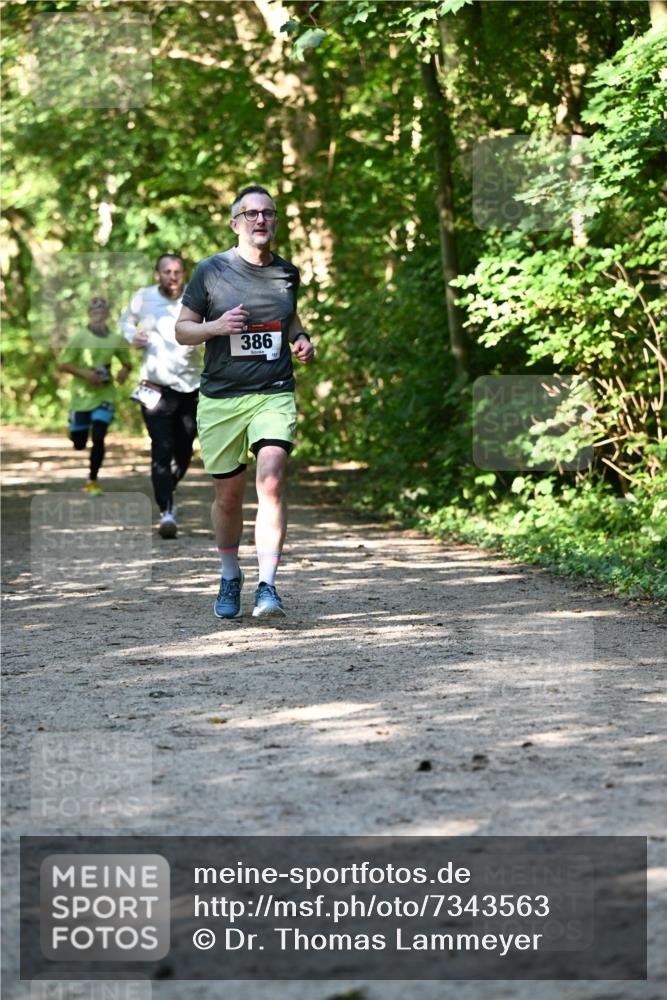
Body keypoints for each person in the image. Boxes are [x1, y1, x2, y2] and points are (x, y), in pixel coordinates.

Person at [175, 184, 315, 619]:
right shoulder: (211, 271)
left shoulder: (287, 273)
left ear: (275, 221)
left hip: (273, 391)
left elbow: (288, 315)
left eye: (267, 213)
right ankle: (230, 573)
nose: (260, 220)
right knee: (229, 498)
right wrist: (215, 327)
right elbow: (182, 330)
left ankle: (268, 586)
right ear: (235, 223)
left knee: (270, 480)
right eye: (251, 213)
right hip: (221, 398)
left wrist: (300, 338)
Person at [120, 254, 201, 538]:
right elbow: (125, 321)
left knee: (185, 449)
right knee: (161, 448)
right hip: (155, 388)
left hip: (190, 386)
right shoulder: (143, 297)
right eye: (167, 271)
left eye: (177, 271)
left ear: (184, 273)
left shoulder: (196, 296)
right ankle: (166, 510)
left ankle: (167, 485)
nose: (173, 276)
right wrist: (132, 336)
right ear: (158, 275)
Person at [59, 296, 131, 495]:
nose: (98, 316)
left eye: (102, 313)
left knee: (99, 437)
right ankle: (73, 428)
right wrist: (86, 374)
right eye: (95, 313)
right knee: (79, 443)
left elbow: (127, 362)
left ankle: (92, 480)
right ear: (89, 314)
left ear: (107, 315)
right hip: (81, 396)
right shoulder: (79, 337)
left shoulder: (115, 339)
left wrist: (124, 371)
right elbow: (63, 364)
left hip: (105, 394)